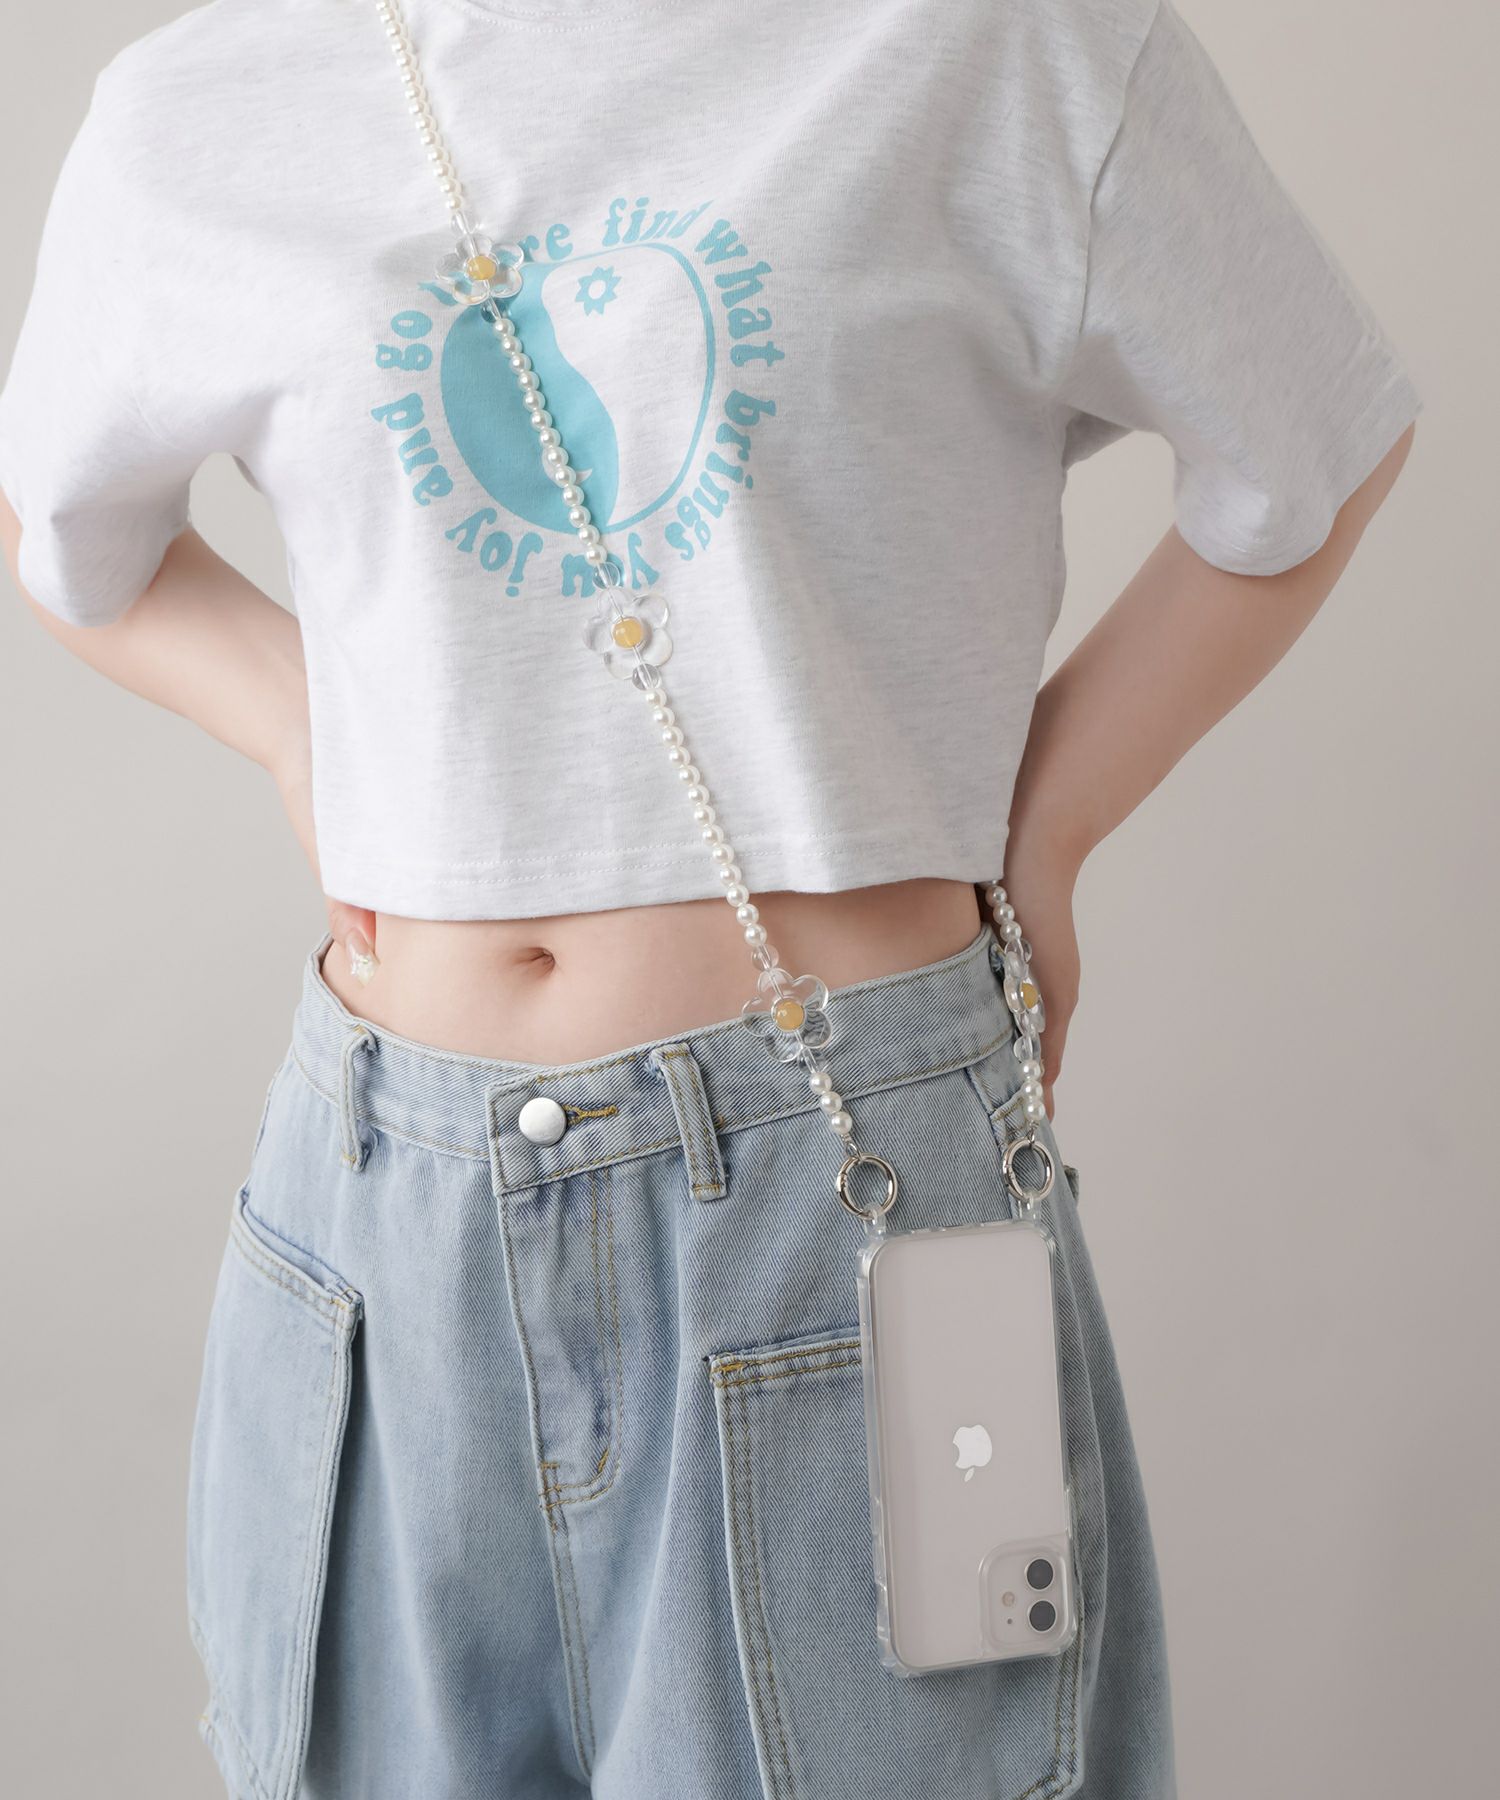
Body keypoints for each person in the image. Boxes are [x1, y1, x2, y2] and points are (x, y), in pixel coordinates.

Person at [0, 0, 1418, 1795]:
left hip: (836, 1180)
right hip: (381, 1218)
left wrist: (1045, 828)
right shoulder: (211, 100)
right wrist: (306, 736)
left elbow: (1314, 437)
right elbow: (66, 527)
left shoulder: (998, 47)